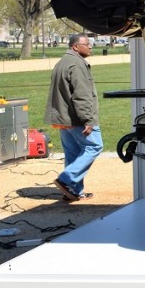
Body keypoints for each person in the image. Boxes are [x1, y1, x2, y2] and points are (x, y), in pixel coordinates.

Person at [45, 33, 103, 202]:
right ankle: (66, 179)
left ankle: (73, 191)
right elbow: (82, 96)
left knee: (73, 152)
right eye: (87, 44)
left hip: (63, 118)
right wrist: (88, 120)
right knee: (95, 146)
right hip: (76, 118)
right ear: (75, 47)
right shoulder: (77, 65)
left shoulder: (62, 62)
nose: (90, 46)